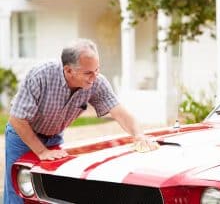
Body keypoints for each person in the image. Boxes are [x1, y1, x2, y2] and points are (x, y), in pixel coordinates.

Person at [4, 38, 159, 204]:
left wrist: (139, 135)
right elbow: (17, 119)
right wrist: (42, 152)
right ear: (69, 70)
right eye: (88, 73)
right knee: (20, 191)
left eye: (97, 70)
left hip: (54, 137)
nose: (94, 77)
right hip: (22, 136)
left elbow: (120, 112)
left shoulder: (97, 82)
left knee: (49, 192)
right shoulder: (40, 75)